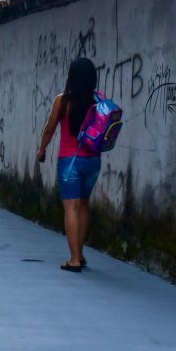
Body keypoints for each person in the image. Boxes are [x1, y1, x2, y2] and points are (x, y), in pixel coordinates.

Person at [36, 57, 101, 273]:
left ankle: (73, 260)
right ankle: (80, 254)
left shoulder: (63, 101)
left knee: (70, 208)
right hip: (93, 161)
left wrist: (42, 149)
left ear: (71, 77)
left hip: (70, 161)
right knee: (83, 205)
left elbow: (49, 128)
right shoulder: (98, 101)